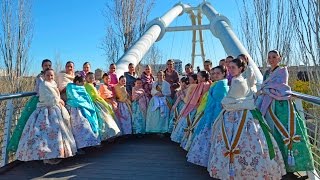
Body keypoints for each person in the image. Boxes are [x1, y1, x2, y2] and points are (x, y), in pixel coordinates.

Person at [207, 58, 285, 179]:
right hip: (246, 112)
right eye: (229, 67)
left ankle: (234, 171)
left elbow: (229, 99)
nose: (230, 70)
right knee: (253, 141)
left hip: (237, 115)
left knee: (235, 141)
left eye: (233, 67)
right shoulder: (242, 78)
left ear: (241, 68)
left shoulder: (237, 81)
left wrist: (226, 102)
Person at [255, 50, 314, 175]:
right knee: (271, 132)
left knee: (283, 133)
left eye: (274, 57)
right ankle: (277, 163)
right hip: (268, 104)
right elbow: (268, 86)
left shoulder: (282, 71)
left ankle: (290, 166)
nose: (271, 59)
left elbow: (280, 87)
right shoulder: (266, 73)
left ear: (279, 58)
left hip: (280, 106)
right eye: (269, 57)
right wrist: (266, 88)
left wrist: (266, 88)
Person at [16, 68, 77, 164]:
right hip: (46, 110)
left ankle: (55, 154)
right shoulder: (43, 85)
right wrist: (59, 101)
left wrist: (58, 100)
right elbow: (48, 98)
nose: (50, 77)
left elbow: (55, 95)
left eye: (51, 75)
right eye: (48, 75)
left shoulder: (53, 83)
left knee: (57, 133)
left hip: (55, 109)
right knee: (46, 133)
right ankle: (47, 156)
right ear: (44, 76)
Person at [187, 66, 229, 166]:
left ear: (224, 73)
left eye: (218, 73)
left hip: (214, 114)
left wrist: (212, 117)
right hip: (210, 111)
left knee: (208, 135)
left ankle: (208, 160)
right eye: (213, 73)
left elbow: (219, 103)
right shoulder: (219, 83)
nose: (215, 75)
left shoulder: (221, 85)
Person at [8, 59, 52, 153]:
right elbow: (42, 90)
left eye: (49, 65)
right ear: (42, 66)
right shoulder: (40, 77)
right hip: (39, 101)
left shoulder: (51, 75)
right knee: (33, 124)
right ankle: (30, 150)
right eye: (45, 65)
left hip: (50, 101)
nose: (47, 67)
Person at [66, 75, 101, 149]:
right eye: (83, 82)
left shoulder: (82, 88)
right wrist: (84, 103)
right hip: (75, 109)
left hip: (84, 108)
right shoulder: (70, 87)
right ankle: (81, 146)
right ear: (77, 82)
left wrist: (87, 104)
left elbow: (87, 98)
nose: (84, 83)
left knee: (88, 125)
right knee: (80, 127)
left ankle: (91, 143)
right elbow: (74, 97)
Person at [179, 71, 211, 150]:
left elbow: (200, 96)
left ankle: (189, 144)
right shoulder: (208, 84)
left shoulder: (202, 84)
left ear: (203, 78)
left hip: (197, 106)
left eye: (199, 76)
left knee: (192, 124)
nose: (197, 78)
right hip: (201, 106)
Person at [85, 72, 121, 141]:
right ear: (86, 78)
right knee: (102, 118)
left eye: (93, 77)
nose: (92, 79)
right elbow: (91, 95)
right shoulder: (87, 85)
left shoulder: (91, 85)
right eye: (90, 77)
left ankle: (108, 135)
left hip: (98, 102)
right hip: (94, 102)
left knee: (105, 118)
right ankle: (105, 136)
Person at [170, 74, 198, 143]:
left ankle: (183, 138)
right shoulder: (192, 87)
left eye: (190, 80)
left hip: (187, 106)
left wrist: (182, 96)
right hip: (187, 105)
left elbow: (186, 99)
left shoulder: (191, 87)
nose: (189, 81)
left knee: (184, 121)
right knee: (181, 120)